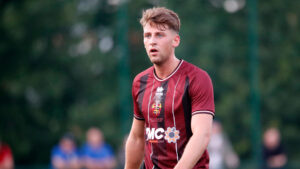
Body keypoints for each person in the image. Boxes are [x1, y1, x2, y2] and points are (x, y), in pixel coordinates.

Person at [125, 7, 215, 169]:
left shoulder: (197, 78)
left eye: (159, 35)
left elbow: (202, 135)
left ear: (176, 41)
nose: (152, 41)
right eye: (147, 35)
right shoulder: (140, 81)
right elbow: (137, 138)